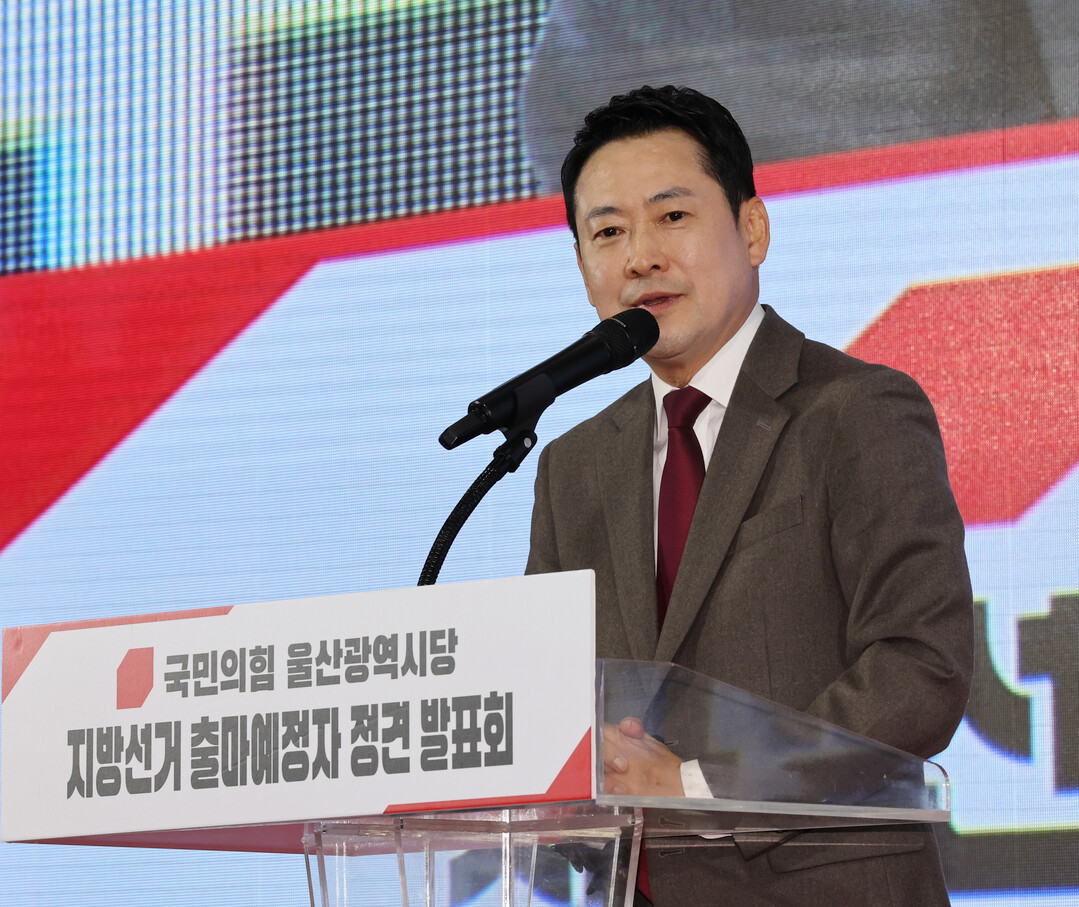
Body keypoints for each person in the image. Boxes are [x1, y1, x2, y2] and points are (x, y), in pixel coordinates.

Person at [525, 85, 974, 905]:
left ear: (753, 228)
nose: (640, 257)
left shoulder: (855, 410)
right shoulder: (572, 466)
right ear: (584, 267)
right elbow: (548, 703)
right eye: (608, 232)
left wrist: (694, 785)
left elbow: (919, 667)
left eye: (671, 216)